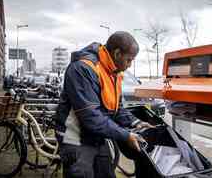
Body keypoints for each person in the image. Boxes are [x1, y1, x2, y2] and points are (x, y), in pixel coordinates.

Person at [55, 31, 152, 178]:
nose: (130, 65)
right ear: (117, 53)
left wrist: (137, 122)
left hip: (97, 136)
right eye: (129, 60)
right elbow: (91, 116)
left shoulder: (114, 74)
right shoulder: (83, 68)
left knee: (106, 173)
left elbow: (116, 108)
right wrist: (126, 136)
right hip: (75, 139)